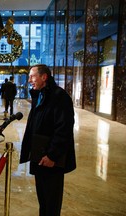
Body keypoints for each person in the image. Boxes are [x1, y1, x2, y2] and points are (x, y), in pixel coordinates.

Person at [19, 64, 76, 216]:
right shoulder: (39, 95)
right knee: (43, 200)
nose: (30, 80)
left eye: (32, 76)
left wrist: (52, 155)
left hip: (51, 159)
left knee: (51, 202)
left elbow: (63, 130)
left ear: (44, 77)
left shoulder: (59, 97)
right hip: (39, 155)